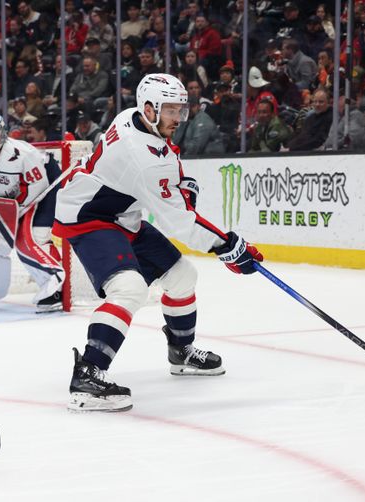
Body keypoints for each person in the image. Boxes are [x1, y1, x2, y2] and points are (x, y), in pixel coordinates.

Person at [54, 74, 264, 412]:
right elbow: (180, 222)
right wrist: (229, 246)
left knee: (183, 276)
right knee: (129, 289)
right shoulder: (144, 158)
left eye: (180, 109)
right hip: (88, 218)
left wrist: (182, 183)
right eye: (169, 110)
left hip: (122, 214)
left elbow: (168, 162)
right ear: (149, 107)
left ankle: (181, 351)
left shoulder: (132, 118)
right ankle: (89, 376)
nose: (177, 118)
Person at [0, 111, 65, 313]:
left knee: (30, 236)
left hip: (45, 187)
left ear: (3, 135)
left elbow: (37, 187)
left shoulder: (22, 154)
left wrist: (11, 217)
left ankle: (55, 286)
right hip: (9, 199)